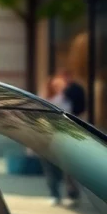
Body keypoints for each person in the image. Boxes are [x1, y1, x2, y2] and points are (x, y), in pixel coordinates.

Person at [42, 75, 72, 206]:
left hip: (60, 140)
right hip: (47, 140)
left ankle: (64, 194)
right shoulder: (45, 100)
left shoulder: (63, 100)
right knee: (50, 169)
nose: (59, 88)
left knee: (61, 169)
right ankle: (55, 194)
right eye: (56, 86)